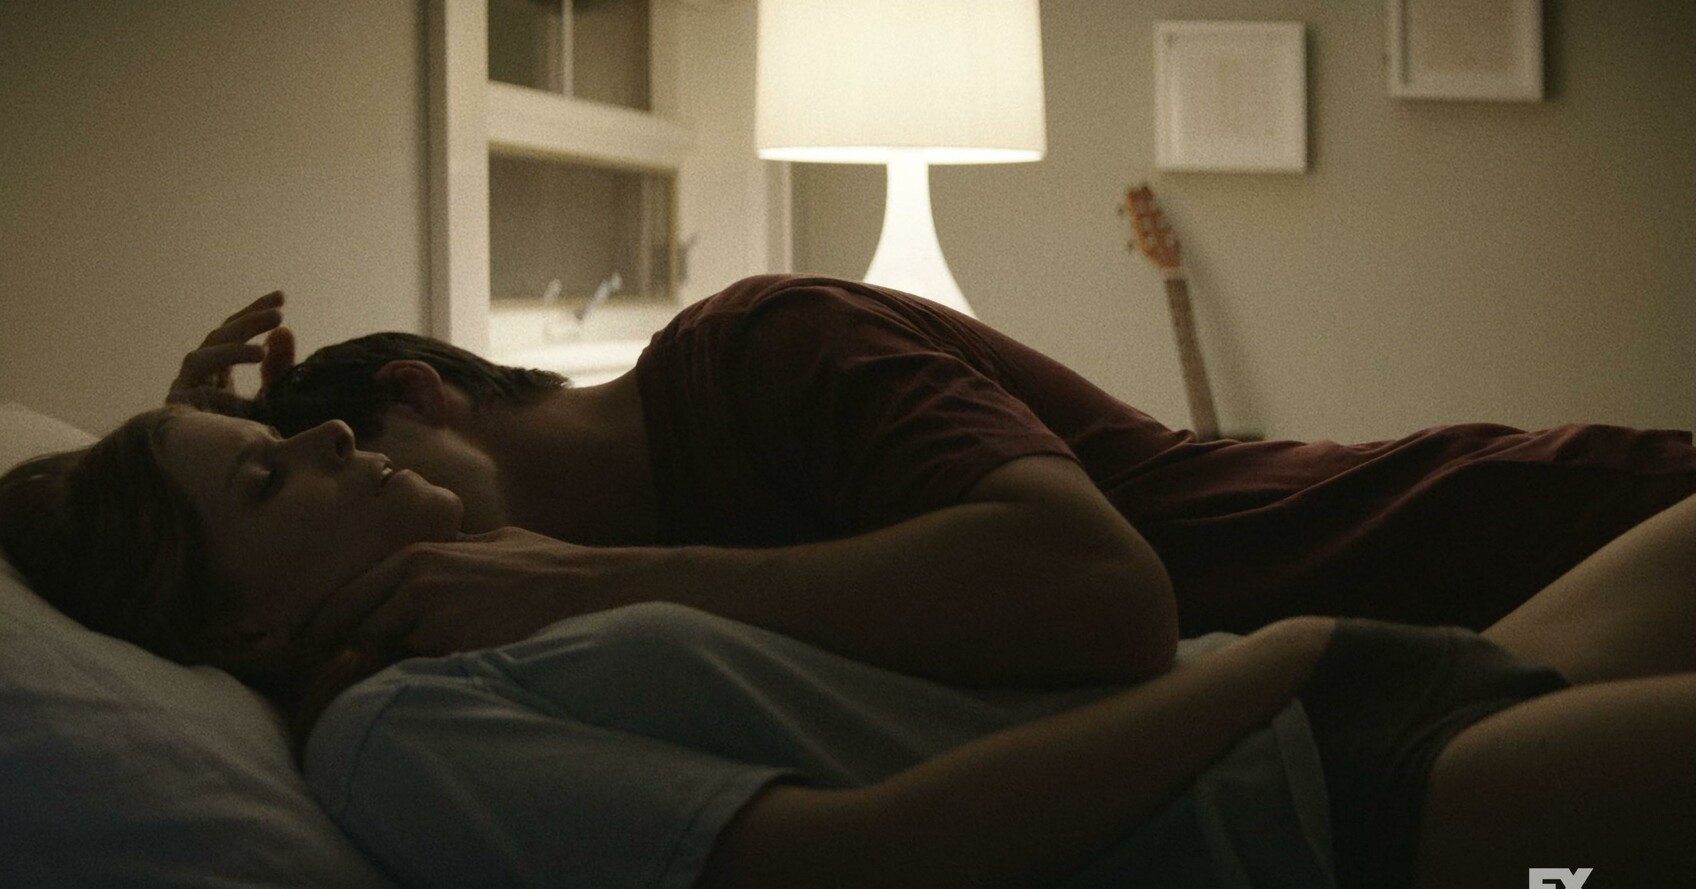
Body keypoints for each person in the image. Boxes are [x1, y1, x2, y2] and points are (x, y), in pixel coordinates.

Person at [0, 404, 1696, 889]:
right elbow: (861, 875)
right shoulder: (402, 741)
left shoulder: (496, 608)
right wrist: (1271, 667)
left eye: (294, 428)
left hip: (1352, 702)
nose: (329, 437)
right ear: (236, 632)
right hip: (1348, 826)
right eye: (267, 476)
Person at [163, 279, 1696, 691]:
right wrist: (174, 479)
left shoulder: (763, 346)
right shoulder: (541, 643)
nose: (391, 531)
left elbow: (1100, 596)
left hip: (1525, 538)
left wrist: (581, 580)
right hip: (1448, 703)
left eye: (348, 455)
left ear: (415, 395)